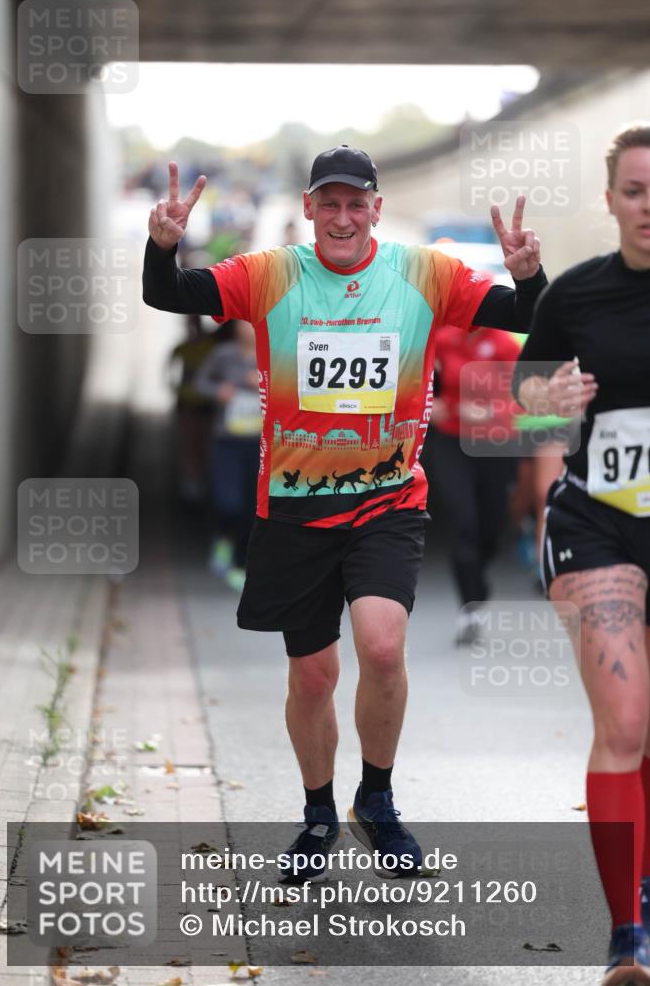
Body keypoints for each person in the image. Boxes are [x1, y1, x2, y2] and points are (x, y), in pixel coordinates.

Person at [143, 145, 545, 880]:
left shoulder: (422, 273)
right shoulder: (270, 274)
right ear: (307, 208)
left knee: (383, 648)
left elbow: (525, 315)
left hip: (387, 498)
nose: (341, 216)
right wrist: (161, 245)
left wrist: (528, 274)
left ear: (376, 210)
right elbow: (168, 296)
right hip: (295, 508)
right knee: (313, 677)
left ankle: (378, 800)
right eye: (328, 203)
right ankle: (319, 812)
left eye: (355, 202)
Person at [512, 124, 650, 984]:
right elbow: (520, 401)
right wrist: (546, 394)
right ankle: (624, 933)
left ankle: (646, 885)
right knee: (625, 724)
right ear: (609, 201)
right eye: (634, 191)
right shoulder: (574, 294)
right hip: (596, 519)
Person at [424, 323, 522, 644]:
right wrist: (432, 405)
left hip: (496, 441)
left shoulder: (505, 345)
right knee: (462, 520)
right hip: (453, 440)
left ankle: (477, 580)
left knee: (491, 525)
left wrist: (492, 411)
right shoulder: (442, 339)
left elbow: (526, 395)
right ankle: (470, 606)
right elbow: (415, 378)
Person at [194, 322, 262, 592]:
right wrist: (219, 391)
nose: (249, 329)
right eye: (244, 323)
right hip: (227, 440)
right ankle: (223, 536)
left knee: (251, 507)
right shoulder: (224, 354)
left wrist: (262, 383)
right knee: (228, 502)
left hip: (259, 443)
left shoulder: (273, 354)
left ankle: (239, 564)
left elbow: (293, 386)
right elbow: (200, 382)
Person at [167, 314, 217, 501]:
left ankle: (201, 481)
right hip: (187, 403)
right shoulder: (182, 349)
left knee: (204, 442)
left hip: (205, 403)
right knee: (190, 443)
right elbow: (170, 373)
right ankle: (192, 483)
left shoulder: (209, 347)